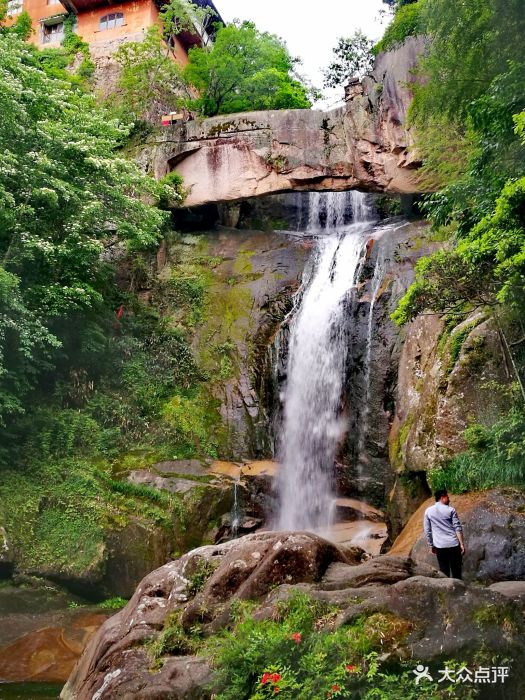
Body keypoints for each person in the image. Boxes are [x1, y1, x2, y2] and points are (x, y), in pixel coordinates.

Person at [424, 489, 465, 579]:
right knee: (457, 573)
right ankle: (458, 592)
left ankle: (446, 591)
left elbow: (427, 531)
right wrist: (461, 544)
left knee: (444, 572)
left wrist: (431, 545)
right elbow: (457, 528)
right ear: (442, 497)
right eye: (447, 497)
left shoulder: (428, 511)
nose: (449, 499)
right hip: (453, 545)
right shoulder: (451, 510)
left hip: (440, 546)